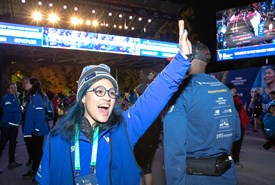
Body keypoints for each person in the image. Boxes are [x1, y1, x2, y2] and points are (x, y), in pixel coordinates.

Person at [34, 20, 192, 185]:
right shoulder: (57, 137)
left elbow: (153, 96)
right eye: (99, 91)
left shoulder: (124, 128)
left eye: (111, 92)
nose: (108, 97)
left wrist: (181, 61)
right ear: (82, 97)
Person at [163, 41, 241, 185]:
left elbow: (174, 148)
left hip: (195, 178)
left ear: (188, 58)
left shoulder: (181, 92)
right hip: (226, 175)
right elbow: (236, 134)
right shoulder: (225, 90)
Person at [133, 83, 162, 185]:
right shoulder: (155, 107)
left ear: (138, 94)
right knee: (147, 167)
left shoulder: (137, 108)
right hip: (153, 142)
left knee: (138, 168)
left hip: (140, 142)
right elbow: (159, 125)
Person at [22, 77, 50, 179]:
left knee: (37, 152)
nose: (25, 84)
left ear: (32, 85)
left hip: (37, 131)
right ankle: (35, 170)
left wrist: (36, 130)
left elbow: (40, 115)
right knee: (35, 152)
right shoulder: (32, 96)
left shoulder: (37, 97)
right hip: (33, 130)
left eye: (27, 83)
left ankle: (40, 174)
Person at [226, 83, 249, 168]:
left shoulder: (236, 98)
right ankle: (231, 160)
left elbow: (240, 110)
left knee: (238, 143)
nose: (235, 90)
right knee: (230, 144)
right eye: (233, 89)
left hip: (240, 123)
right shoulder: (227, 99)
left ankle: (236, 160)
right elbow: (237, 109)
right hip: (232, 125)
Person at [0, 83, 23, 170]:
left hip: (14, 126)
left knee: (13, 144)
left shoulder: (15, 97)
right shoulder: (6, 98)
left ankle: (12, 162)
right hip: (7, 125)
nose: (14, 89)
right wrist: (20, 108)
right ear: (8, 89)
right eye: (11, 88)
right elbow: (9, 109)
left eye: (15, 87)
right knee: (2, 144)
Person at [19, 78, 33, 166]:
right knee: (27, 140)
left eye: (26, 83)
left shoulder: (33, 94)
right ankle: (30, 157)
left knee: (33, 142)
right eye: (23, 83)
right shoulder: (21, 95)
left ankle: (35, 161)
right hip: (24, 120)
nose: (24, 84)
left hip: (31, 122)